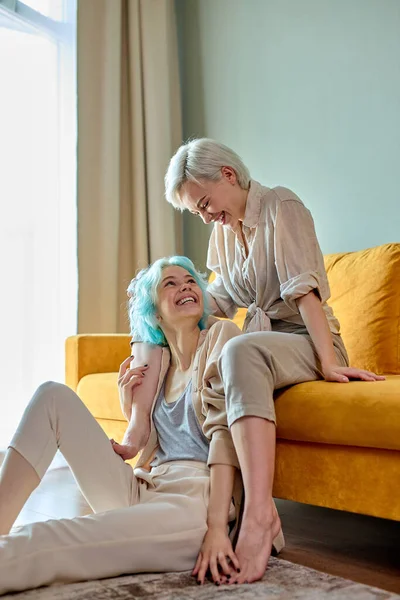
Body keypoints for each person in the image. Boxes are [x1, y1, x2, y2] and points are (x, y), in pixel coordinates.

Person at [121, 138, 385, 585]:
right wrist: (150, 337)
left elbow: (305, 292)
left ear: (228, 175)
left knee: (238, 349)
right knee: (216, 347)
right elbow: (217, 300)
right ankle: (231, 509)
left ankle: (261, 516)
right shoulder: (224, 234)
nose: (205, 216)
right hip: (260, 350)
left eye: (205, 203)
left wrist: (328, 363)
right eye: (196, 212)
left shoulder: (282, 206)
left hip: (304, 341)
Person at [0, 256, 283, 595]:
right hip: (145, 488)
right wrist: (129, 402)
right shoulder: (157, 361)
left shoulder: (222, 335)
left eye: (190, 280)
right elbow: (139, 441)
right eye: (171, 283)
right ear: (155, 312)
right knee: (52, 396)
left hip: (194, 502)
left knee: (60, 535)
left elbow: (225, 437)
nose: (186, 286)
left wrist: (217, 527)